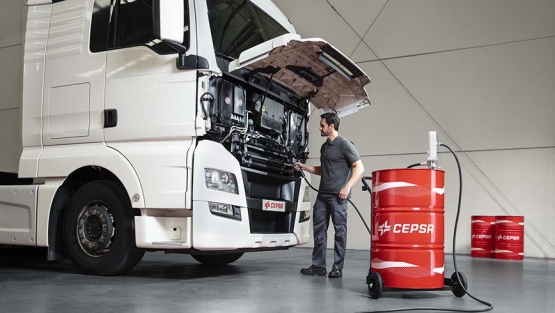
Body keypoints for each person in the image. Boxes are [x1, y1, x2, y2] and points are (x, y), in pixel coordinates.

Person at [295, 112, 364, 278]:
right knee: (319, 232)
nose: (320, 128)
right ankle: (318, 266)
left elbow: (359, 167)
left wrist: (347, 187)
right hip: (322, 196)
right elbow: (323, 169)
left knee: (340, 233)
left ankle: (337, 268)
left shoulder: (345, 145)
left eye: (322, 125)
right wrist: (304, 167)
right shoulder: (325, 146)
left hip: (338, 197)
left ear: (331, 126)